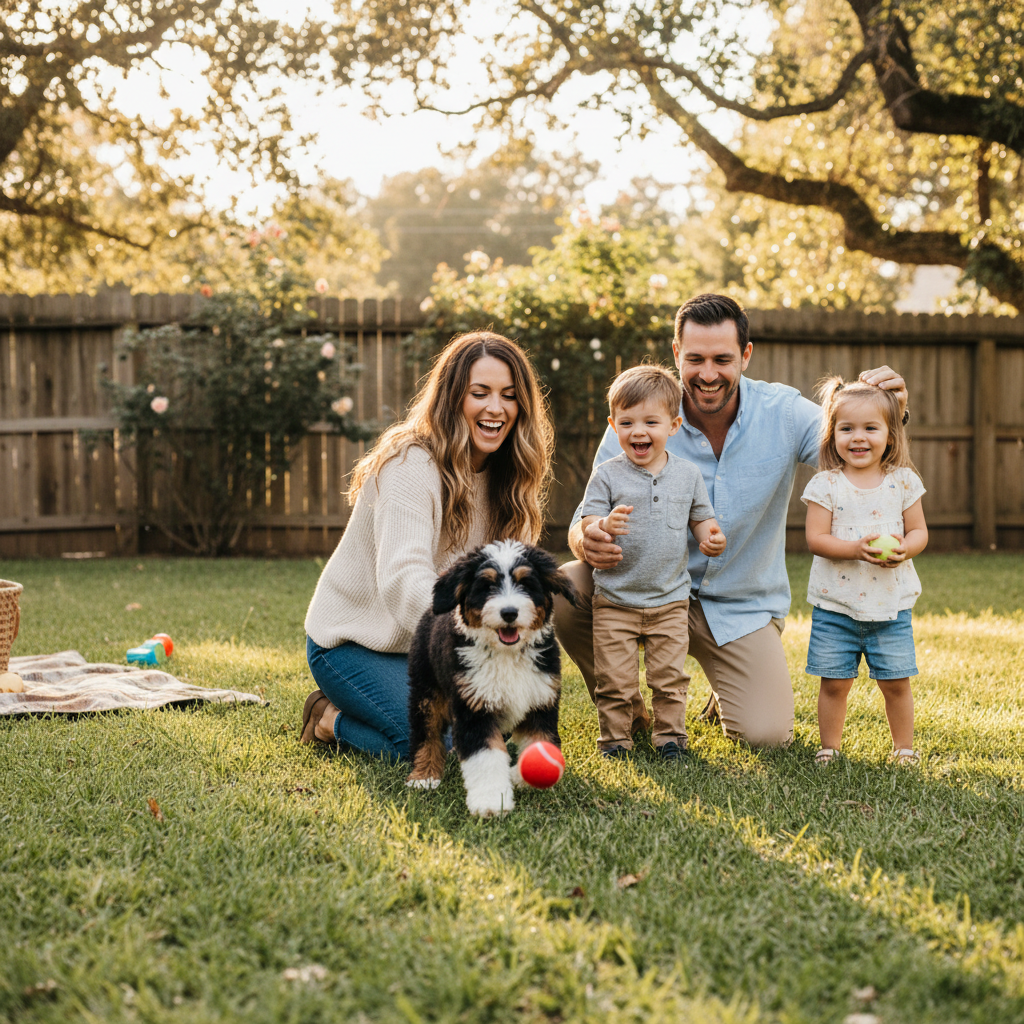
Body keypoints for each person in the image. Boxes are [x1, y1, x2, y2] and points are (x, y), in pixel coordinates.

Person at [553, 293, 908, 747]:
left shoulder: (783, 412)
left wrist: (895, 411)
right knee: (567, 586)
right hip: (646, 590)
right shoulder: (639, 418)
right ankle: (629, 710)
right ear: (677, 353)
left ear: (746, 355)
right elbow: (585, 518)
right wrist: (588, 539)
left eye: (722, 359)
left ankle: (725, 691)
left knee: (766, 736)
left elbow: (858, 446)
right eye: (695, 358)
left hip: (739, 607)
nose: (707, 374)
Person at [300, 331, 553, 758]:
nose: (496, 408)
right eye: (480, 393)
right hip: (355, 643)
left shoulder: (507, 475)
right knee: (442, 745)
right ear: (454, 398)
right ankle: (328, 719)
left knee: (502, 733)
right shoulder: (411, 463)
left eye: (509, 396)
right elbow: (404, 579)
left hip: (436, 651)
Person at [579, 364, 726, 761]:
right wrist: (602, 525)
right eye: (626, 422)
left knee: (669, 678)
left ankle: (670, 739)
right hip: (615, 599)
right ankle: (615, 741)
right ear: (613, 425)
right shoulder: (607, 476)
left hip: (669, 601)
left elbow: (700, 517)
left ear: (674, 425)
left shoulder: (688, 475)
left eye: (650, 422)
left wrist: (710, 536)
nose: (638, 432)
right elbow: (587, 518)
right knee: (615, 680)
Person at [801, 376, 928, 766]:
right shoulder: (826, 484)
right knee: (835, 682)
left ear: (890, 435)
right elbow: (816, 539)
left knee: (895, 682)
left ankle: (904, 749)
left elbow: (919, 531)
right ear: (832, 434)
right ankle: (830, 748)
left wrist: (906, 548)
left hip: (889, 605)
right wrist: (855, 549)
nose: (859, 438)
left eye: (870, 428)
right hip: (835, 605)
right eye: (847, 429)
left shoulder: (903, 481)